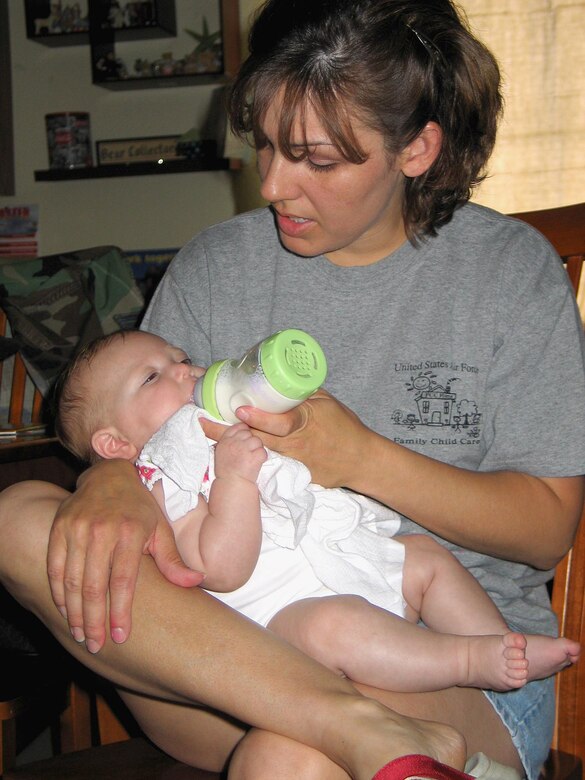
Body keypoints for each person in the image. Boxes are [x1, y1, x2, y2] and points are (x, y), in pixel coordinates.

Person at [1, 0, 584, 778]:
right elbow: (147, 432)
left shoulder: (507, 276)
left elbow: (545, 529)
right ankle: (350, 726)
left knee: (288, 761)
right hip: (231, 656)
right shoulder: (217, 265)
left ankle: (354, 731)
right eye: (265, 145)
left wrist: (362, 458)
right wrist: (109, 482)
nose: (271, 184)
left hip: (453, 662)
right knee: (15, 517)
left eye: (315, 158)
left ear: (416, 149)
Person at [55, 328, 579, 695]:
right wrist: (234, 480)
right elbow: (220, 568)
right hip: (283, 622)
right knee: (335, 625)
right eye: (153, 378)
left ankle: (494, 645)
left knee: (424, 557)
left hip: (341, 565)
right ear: (114, 442)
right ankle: (471, 663)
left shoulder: (216, 433)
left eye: (178, 357)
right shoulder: (164, 479)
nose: (185, 371)